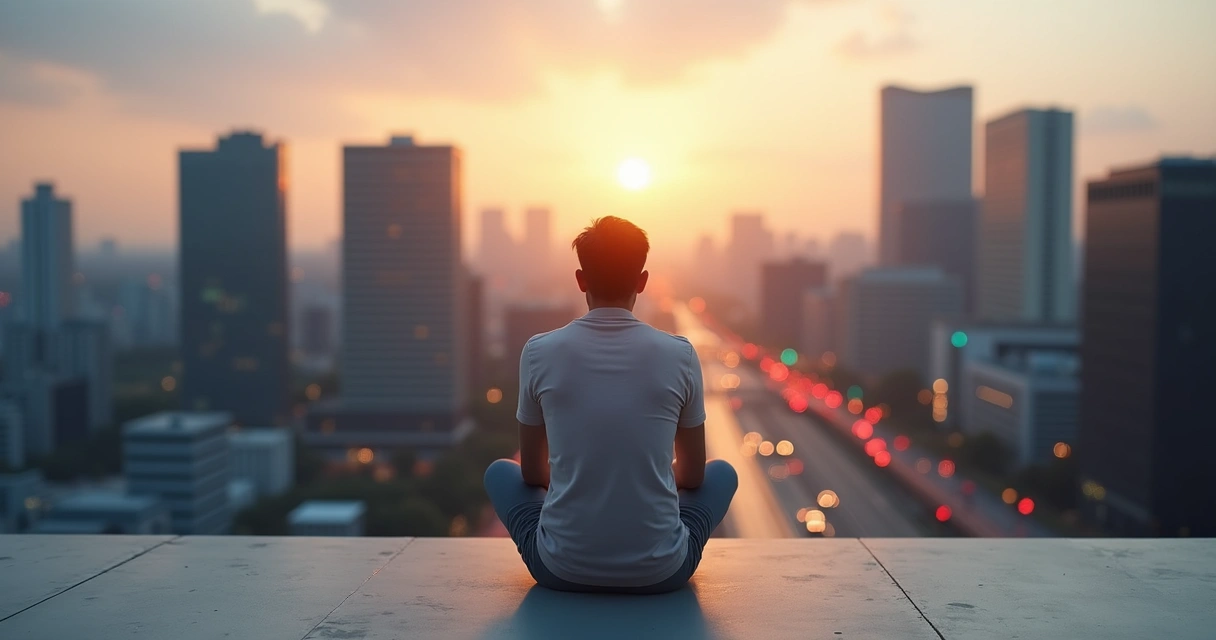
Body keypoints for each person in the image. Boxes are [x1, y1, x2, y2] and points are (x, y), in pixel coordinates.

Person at [484, 216, 738, 594]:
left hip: (560, 570)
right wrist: (642, 475)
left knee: (500, 473)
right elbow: (693, 477)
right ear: (642, 281)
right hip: (662, 574)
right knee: (722, 473)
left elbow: (534, 474)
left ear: (581, 280)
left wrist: (584, 479)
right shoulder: (680, 354)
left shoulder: (539, 352)